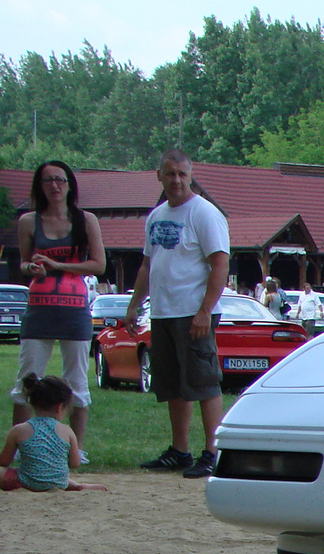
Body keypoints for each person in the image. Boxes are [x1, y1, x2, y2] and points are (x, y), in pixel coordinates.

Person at [126, 149, 231, 478]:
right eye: (169, 174)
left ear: (190, 175)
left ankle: (213, 452)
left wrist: (204, 311)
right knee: (174, 385)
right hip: (163, 311)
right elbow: (148, 264)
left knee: (203, 382)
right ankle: (179, 450)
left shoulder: (204, 213)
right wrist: (134, 305)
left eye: (182, 174)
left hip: (193, 312)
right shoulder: (156, 216)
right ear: (159, 175)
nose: (176, 180)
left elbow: (219, 264)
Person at [12, 161, 106, 458]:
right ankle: (21, 449)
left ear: (70, 184)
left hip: (75, 308)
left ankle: (74, 451)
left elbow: (99, 265)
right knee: (27, 378)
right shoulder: (28, 221)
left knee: (77, 381)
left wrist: (59, 265)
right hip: (39, 309)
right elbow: (23, 263)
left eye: (60, 180)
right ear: (40, 186)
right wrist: (31, 267)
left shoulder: (85, 220)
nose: (55, 186)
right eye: (48, 180)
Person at [0, 374, 108, 492]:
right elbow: (75, 463)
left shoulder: (19, 430)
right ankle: (77, 486)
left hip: (24, 482)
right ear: (60, 407)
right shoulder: (67, 431)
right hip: (59, 483)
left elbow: (3, 462)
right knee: (52, 474)